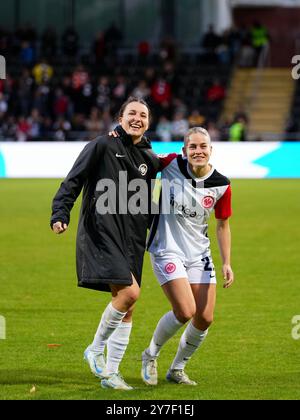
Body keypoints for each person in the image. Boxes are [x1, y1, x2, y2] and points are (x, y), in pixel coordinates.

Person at [50, 97, 161, 390]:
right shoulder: (101, 145)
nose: (138, 118)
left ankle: (111, 374)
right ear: (120, 117)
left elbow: (143, 201)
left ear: (149, 122)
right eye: (132, 113)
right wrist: (60, 212)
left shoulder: (149, 159)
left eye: (144, 115)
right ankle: (95, 348)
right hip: (102, 232)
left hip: (133, 238)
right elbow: (72, 181)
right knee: (130, 293)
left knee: (129, 306)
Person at [141, 127, 234, 386]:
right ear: (184, 150)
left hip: (199, 254)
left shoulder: (222, 184)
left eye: (203, 146)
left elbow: (223, 224)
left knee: (204, 317)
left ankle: (177, 369)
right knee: (185, 310)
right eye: (192, 147)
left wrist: (226, 262)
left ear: (210, 150)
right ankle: (150, 354)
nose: (198, 151)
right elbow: (139, 156)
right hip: (165, 247)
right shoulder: (170, 163)